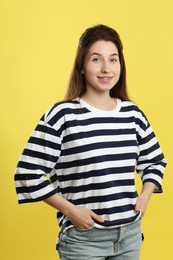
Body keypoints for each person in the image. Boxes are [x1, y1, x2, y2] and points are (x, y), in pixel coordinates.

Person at [14, 24, 167, 260]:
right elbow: (27, 173)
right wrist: (71, 211)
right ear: (82, 67)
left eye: (113, 60)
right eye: (96, 59)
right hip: (83, 239)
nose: (106, 68)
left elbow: (155, 161)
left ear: (120, 65)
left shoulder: (132, 114)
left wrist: (144, 197)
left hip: (129, 236)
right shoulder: (62, 115)